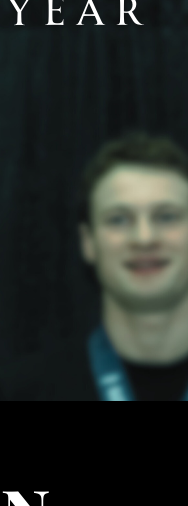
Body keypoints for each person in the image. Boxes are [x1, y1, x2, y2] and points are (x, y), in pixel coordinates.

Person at [78, 134, 188, 401]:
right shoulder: (12, 393)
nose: (144, 238)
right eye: (118, 220)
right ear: (88, 242)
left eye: (166, 216)